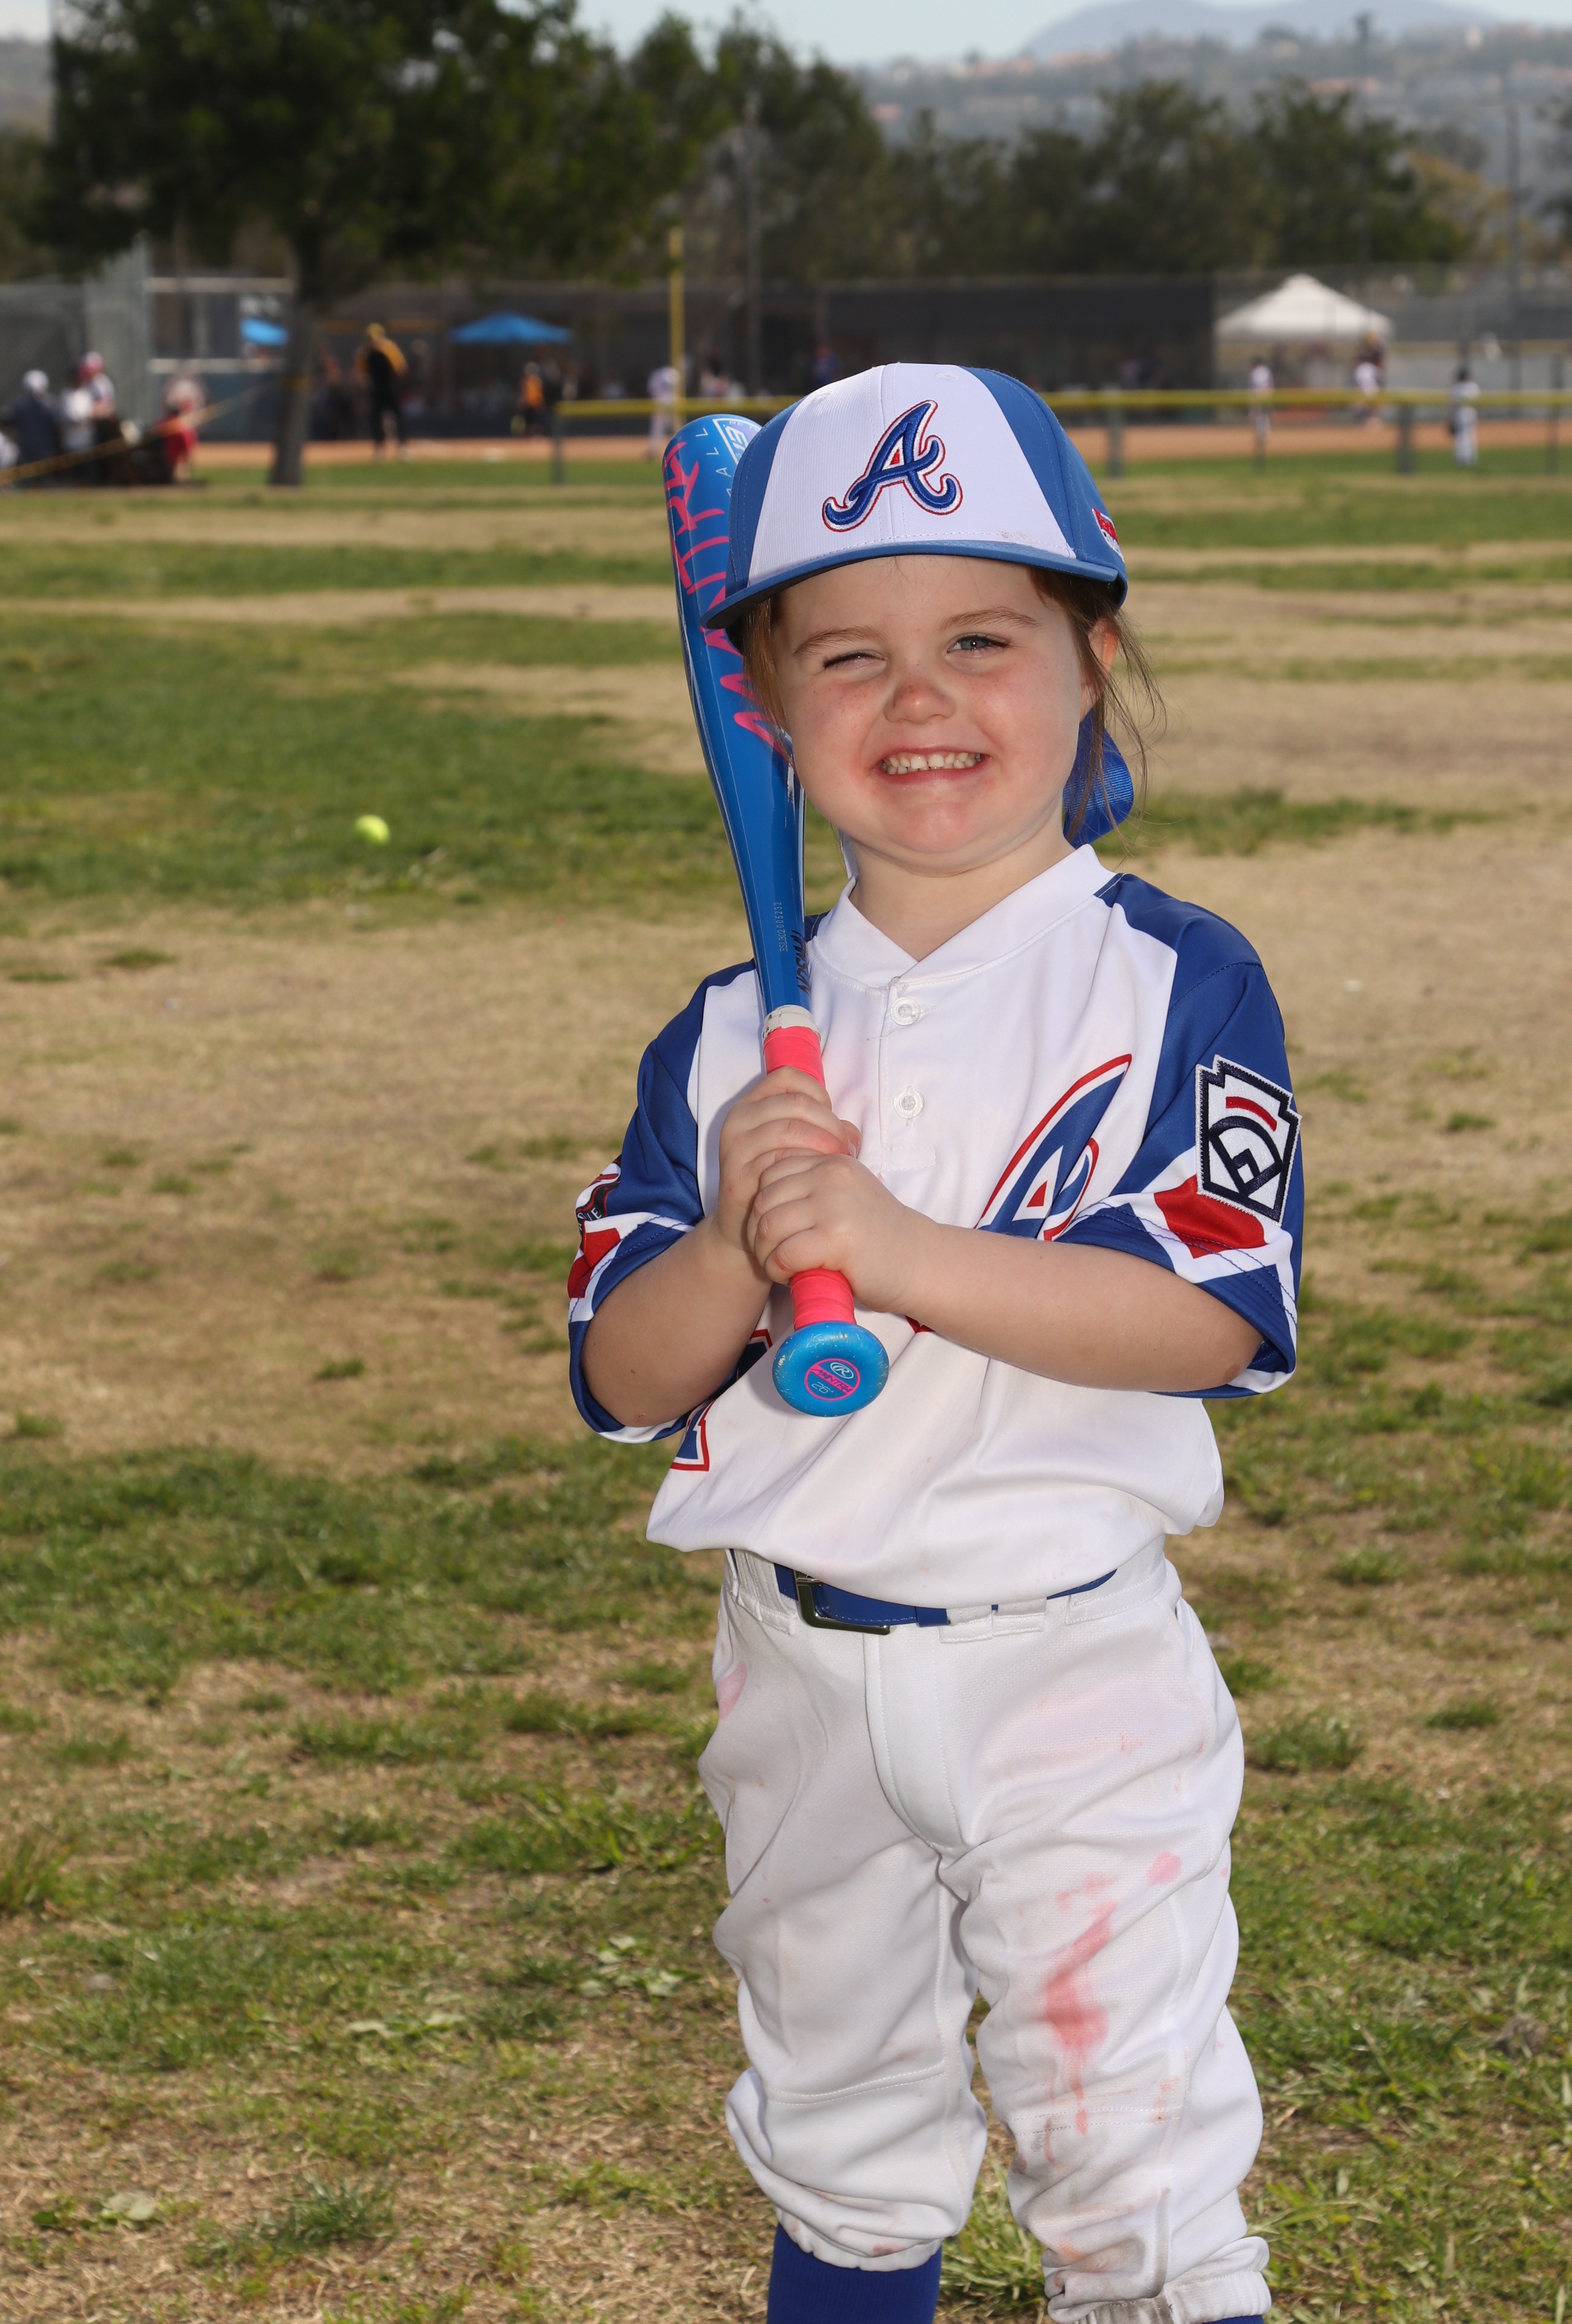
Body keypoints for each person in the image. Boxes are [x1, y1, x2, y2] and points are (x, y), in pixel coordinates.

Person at [569, 364, 1299, 2324]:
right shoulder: (728, 1041)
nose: (918, 700)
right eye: (847, 656)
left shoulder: (1163, 976)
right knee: (840, 2134)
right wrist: (734, 1239)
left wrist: (896, 1250)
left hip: (1071, 1669)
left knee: (1130, 2162)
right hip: (797, 1665)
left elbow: (1207, 1314)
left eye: (981, 639)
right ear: (763, 705)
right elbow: (623, 1377)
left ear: (1089, 658)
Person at [357, 323, 408, 457]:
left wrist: (398, 386)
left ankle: (402, 447)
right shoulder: (365, 353)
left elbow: (400, 368)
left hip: (391, 389)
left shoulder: (389, 349)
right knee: (376, 419)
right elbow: (361, 373)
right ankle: (380, 448)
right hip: (376, 390)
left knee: (398, 417)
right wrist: (365, 385)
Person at [7, 370, 60, 473]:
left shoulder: (21, 406)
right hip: (42, 449)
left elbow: (13, 424)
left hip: (31, 448)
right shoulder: (50, 404)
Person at [1451, 353, 1480, 469]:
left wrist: (1450, 418)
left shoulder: (1456, 388)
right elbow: (1478, 404)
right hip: (1471, 414)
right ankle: (1470, 458)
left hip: (1460, 415)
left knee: (1461, 437)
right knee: (1470, 436)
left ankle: (1462, 459)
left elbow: (1452, 405)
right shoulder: (1473, 386)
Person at [647, 358, 681, 458]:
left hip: (664, 404)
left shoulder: (659, 374)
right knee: (673, 427)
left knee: (660, 427)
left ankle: (654, 450)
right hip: (669, 404)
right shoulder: (674, 373)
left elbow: (652, 390)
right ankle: (679, 449)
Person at [1247, 354, 1273, 469]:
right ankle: (1263, 437)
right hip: (1267, 397)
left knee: (1258, 419)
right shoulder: (1267, 371)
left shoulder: (1257, 372)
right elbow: (1269, 385)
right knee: (1265, 418)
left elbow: (1255, 387)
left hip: (1258, 399)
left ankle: (1260, 439)